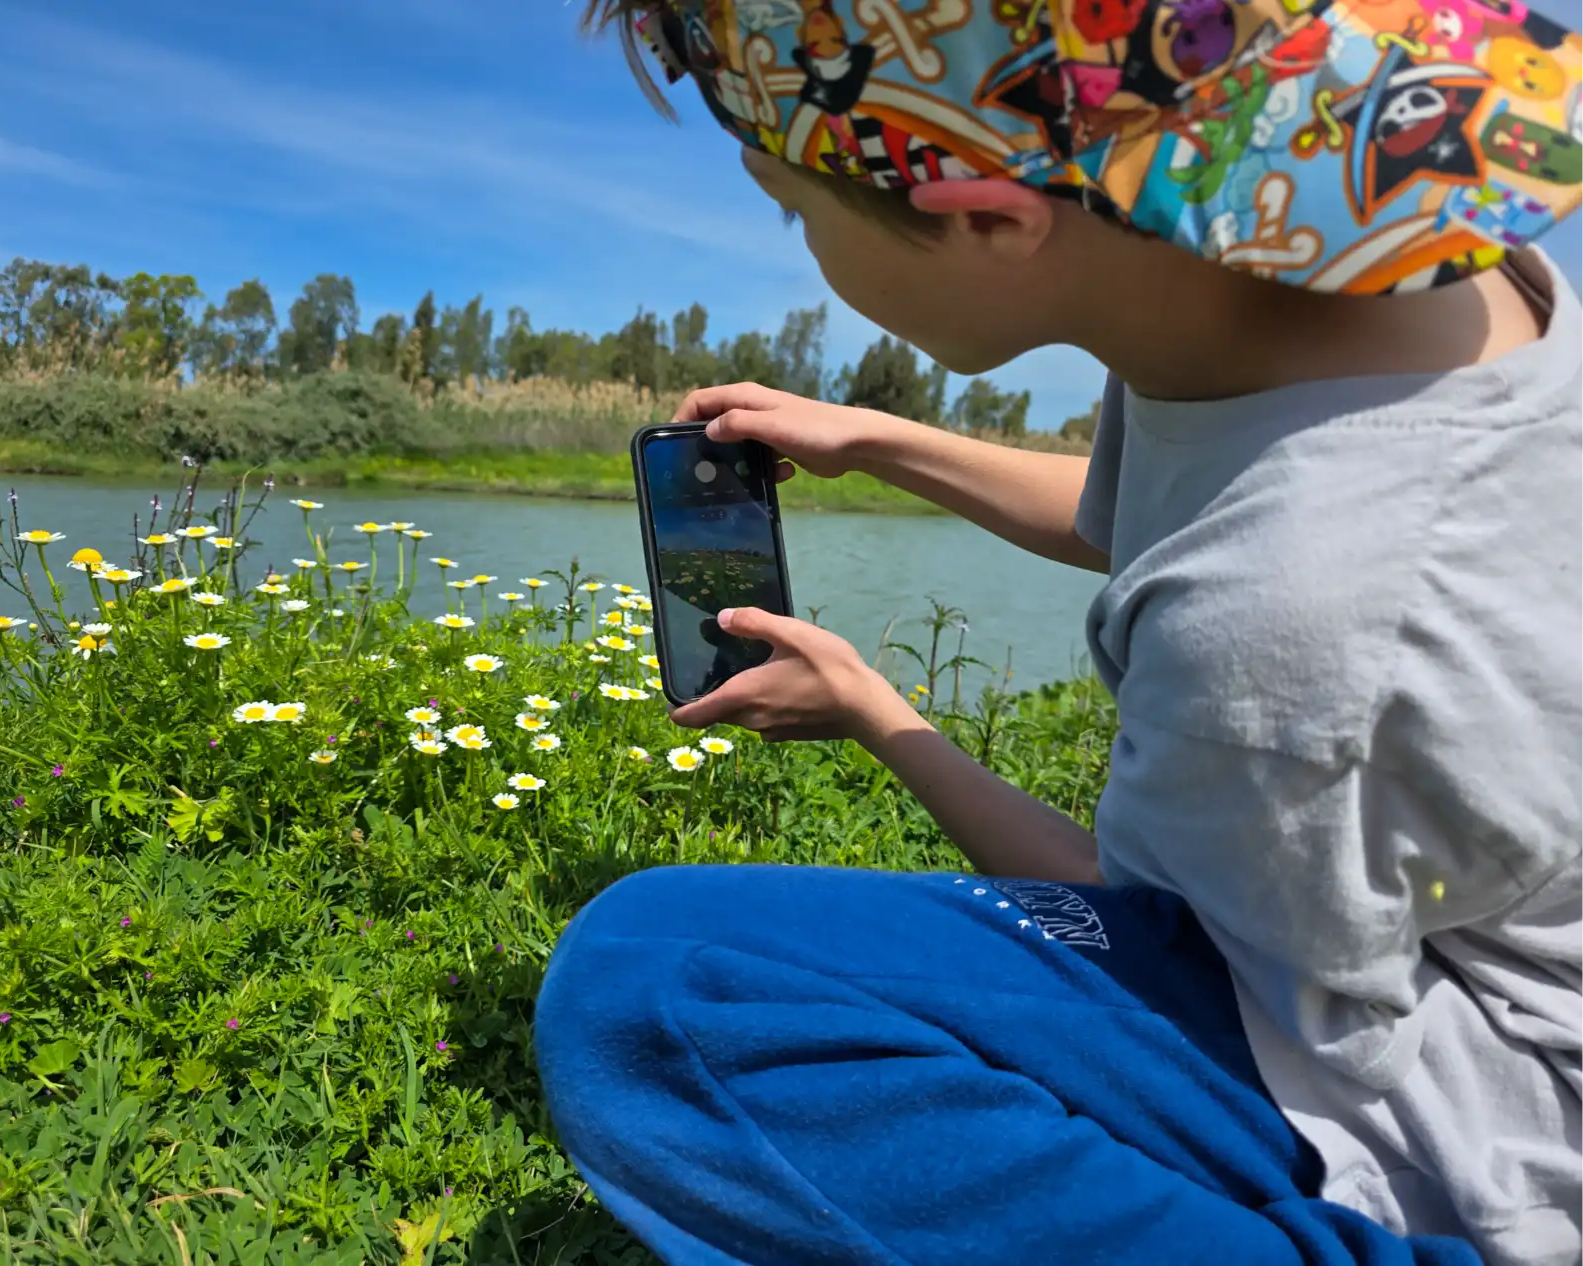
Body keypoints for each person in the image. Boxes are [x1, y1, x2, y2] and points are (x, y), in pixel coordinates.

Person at [535, 2, 1583, 1263]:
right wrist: (877, 440)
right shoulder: (1387, 299)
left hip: (1495, 1139)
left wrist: (880, 715)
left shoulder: (1302, 624)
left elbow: (1145, 924)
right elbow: (1144, 517)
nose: (801, 240)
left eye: (790, 208)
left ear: (987, 219)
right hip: (1483, 940)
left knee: (659, 987)